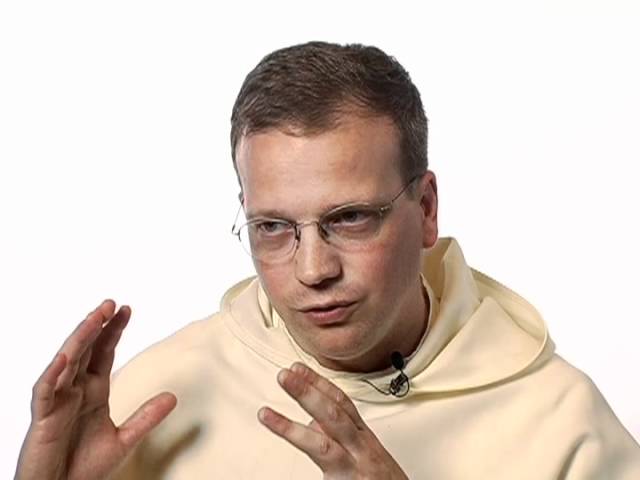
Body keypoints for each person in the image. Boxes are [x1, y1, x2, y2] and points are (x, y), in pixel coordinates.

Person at [14, 41, 640, 480]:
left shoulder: (561, 423)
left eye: (350, 218)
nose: (313, 270)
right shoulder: (159, 395)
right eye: (273, 228)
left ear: (426, 209)